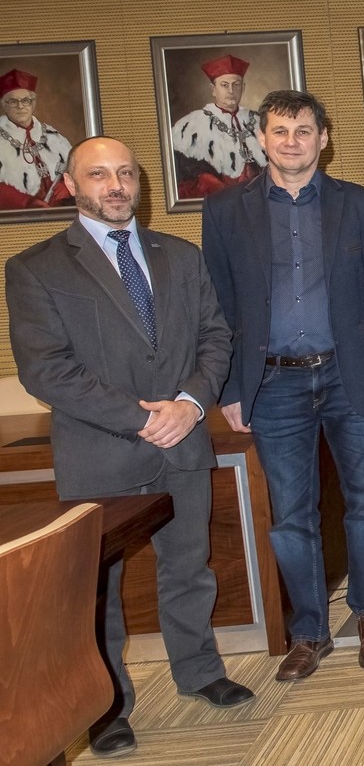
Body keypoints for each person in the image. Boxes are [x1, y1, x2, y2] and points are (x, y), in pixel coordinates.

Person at [6, 137, 254, 758]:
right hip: (100, 450)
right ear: (71, 185)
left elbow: (215, 337)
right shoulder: (36, 268)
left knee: (189, 567)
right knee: (98, 589)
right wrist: (141, 419)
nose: (115, 186)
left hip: (183, 441)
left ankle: (199, 671)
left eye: (125, 173)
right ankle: (106, 704)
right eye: (99, 175)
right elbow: (46, 370)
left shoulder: (181, 255)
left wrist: (190, 404)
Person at [201, 90, 364, 682]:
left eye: (304, 131)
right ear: (261, 138)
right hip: (271, 384)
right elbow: (218, 304)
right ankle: (311, 631)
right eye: (281, 131)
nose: (292, 141)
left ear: (324, 139)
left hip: (350, 374)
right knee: (290, 514)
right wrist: (230, 389)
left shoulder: (362, 205)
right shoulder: (225, 211)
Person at [170, 54, 264, 200]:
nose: (231, 91)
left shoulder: (258, 120)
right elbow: (190, 175)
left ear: (243, 87)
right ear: (213, 89)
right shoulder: (192, 124)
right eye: (224, 85)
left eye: (236, 84)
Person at [0, 68, 72, 208]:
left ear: (33, 103)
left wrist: (67, 187)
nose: (20, 106)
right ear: (4, 104)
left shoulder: (54, 136)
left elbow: (79, 171)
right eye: (13, 101)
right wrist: (26, 202)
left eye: (25, 100)